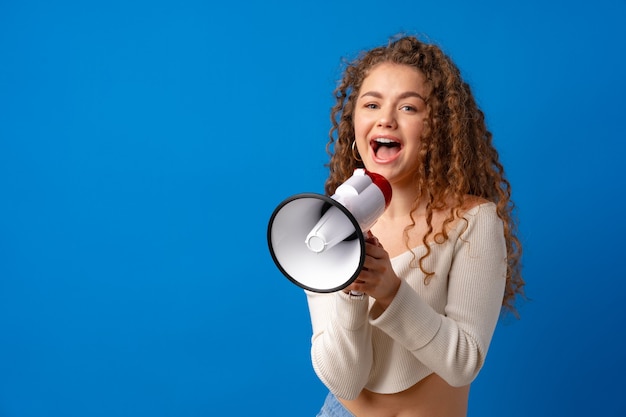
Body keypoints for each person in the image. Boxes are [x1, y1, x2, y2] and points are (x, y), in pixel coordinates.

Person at [307, 34, 525, 417]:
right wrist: (351, 293)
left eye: (408, 108)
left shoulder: (472, 222)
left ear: (438, 127)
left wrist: (391, 291)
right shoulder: (329, 224)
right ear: (355, 124)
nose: (385, 118)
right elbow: (345, 381)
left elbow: (463, 363)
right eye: (371, 104)